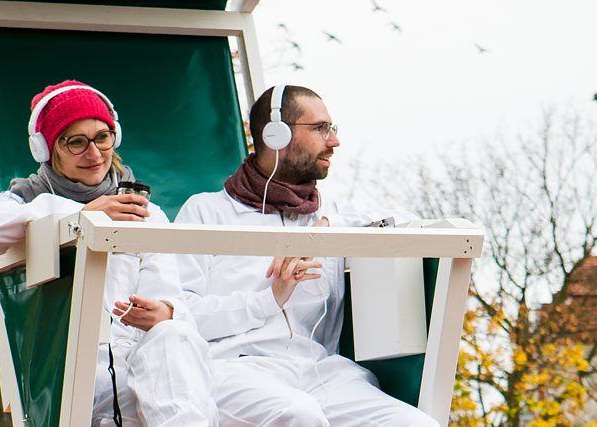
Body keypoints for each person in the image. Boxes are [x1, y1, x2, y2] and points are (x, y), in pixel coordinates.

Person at [174, 85, 437, 426]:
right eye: (320, 129)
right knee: (299, 415)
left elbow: (408, 223)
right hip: (233, 369)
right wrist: (266, 300)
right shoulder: (205, 211)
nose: (334, 141)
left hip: (322, 374)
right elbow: (183, 314)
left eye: (332, 128)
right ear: (276, 134)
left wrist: (324, 230)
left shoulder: (332, 211)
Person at [0, 80, 216, 427]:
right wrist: (79, 219)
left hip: (148, 367)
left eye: (102, 137)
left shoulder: (145, 212)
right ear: (47, 149)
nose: (94, 153)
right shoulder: (28, 201)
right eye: (76, 142)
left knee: (174, 335)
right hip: (70, 374)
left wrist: (164, 311)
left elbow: (172, 300)